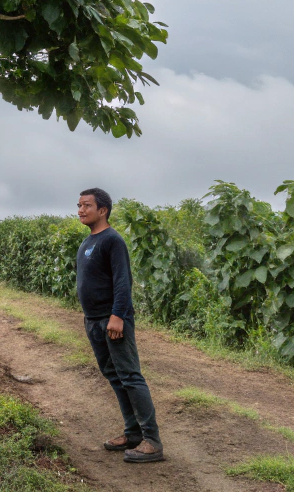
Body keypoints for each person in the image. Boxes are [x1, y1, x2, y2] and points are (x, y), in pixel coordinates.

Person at [76, 188, 163, 463]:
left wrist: (118, 316)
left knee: (130, 376)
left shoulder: (112, 240)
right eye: (78, 205)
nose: (80, 209)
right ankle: (132, 433)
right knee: (114, 376)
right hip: (93, 321)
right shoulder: (88, 242)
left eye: (86, 205)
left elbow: (123, 282)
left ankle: (152, 441)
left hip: (111, 319)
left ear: (102, 210)